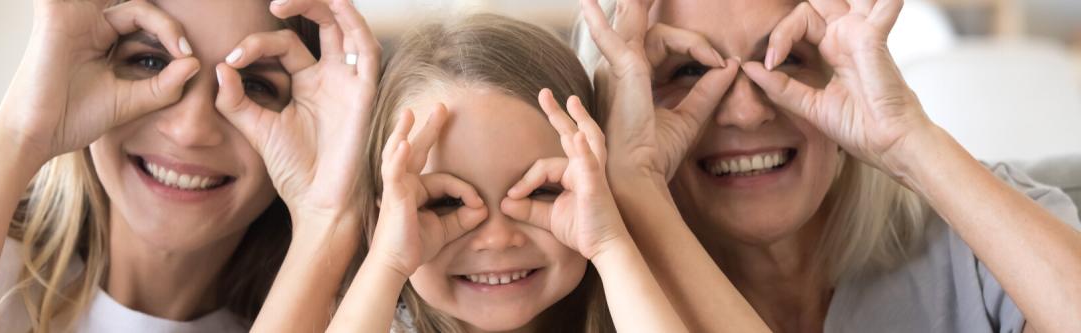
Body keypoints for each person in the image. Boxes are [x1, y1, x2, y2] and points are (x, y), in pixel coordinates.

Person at [576, 0, 1081, 332]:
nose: (748, 112)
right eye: (688, 71)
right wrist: (633, 183)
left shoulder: (979, 232)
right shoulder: (592, 298)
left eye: (788, 58)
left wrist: (908, 141)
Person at [0, 0, 380, 331]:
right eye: (151, 63)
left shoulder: (346, 319)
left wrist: (325, 217)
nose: (191, 130)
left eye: (254, 86)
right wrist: (18, 136)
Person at [327, 14, 684, 332]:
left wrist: (609, 243)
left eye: (542, 191)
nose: (498, 238)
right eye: (446, 202)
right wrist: (387, 263)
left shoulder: (639, 310)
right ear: (380, 221)